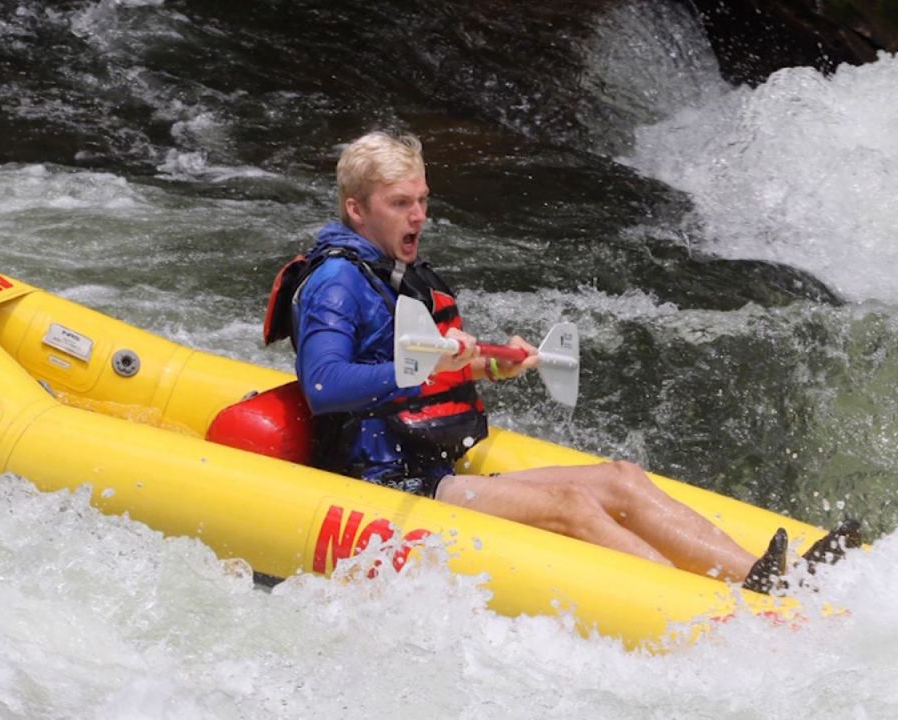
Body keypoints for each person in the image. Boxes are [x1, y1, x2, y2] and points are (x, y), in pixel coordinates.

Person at [267, 131, 859, 593]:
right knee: (573, 505)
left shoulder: (396, 273)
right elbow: (324, 385)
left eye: (423, 200)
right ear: (356, 209)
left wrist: (487, 363)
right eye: (400, 203)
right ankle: (714, 608)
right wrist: (433, 369)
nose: (419, 216)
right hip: (383, 482)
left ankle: (773, 580)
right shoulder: (337, 284)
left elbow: (428, 365)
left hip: (430, 465)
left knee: (619, 477)